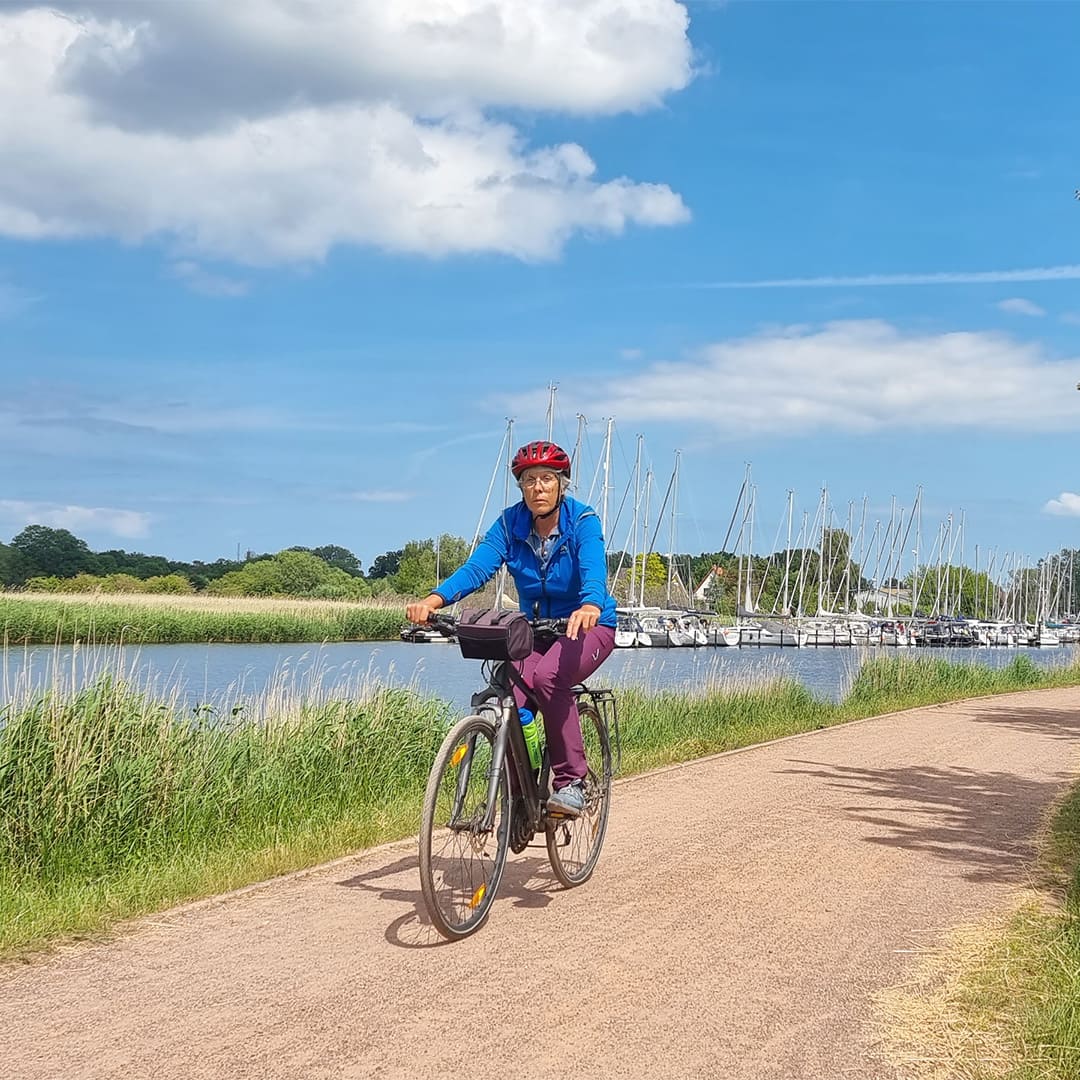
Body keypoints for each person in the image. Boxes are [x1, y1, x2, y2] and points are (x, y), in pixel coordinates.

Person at [405, 439, 617, 816]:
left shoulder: (582, 521)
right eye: (529, 480)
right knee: (511, 696)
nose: (538, 488)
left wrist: (590, 604)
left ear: (561, 484)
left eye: (547, 479)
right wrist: (433, 601)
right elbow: (477, 568)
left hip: (588, 625)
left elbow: (593, 570)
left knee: (549, 679)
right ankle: (523, 794)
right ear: (520, 486)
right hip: (534, 629)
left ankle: (571, 782)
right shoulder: (509, 523)